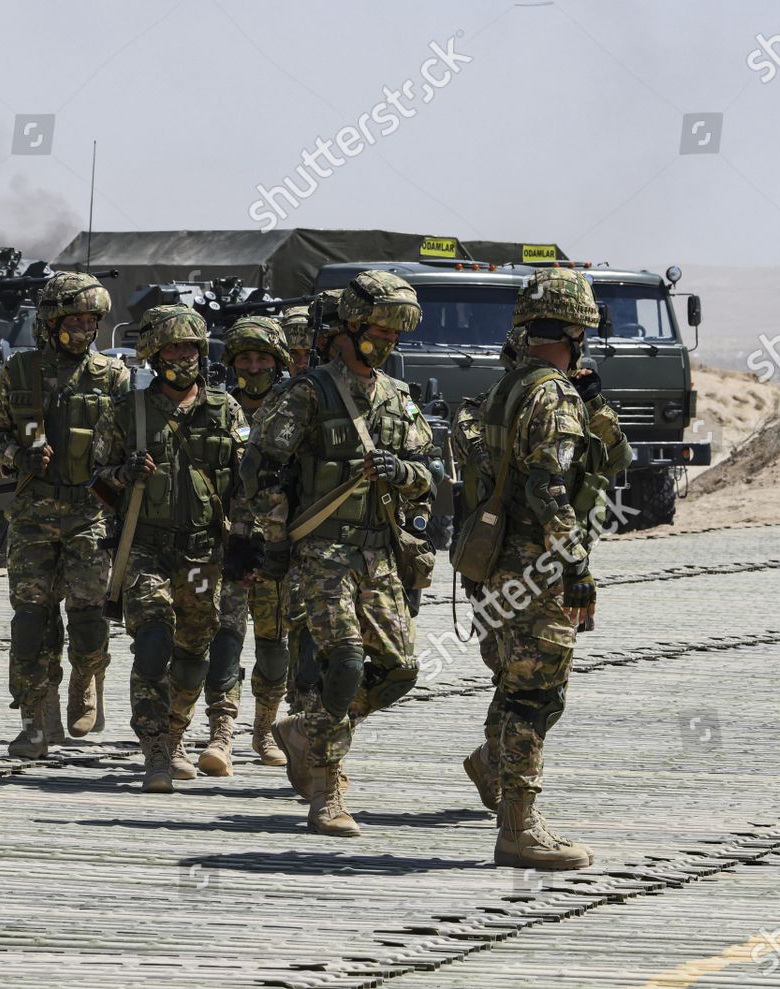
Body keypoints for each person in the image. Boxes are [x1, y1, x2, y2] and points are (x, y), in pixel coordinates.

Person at [244, 271, 438, 835]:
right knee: (344, 663)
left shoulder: (399, 398)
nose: (388, 343)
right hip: (321, 553)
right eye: (379, 331)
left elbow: (427, 473)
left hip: (378, 553)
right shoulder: (308, 393)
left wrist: (405, 474)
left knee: (400, 669)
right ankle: (326, 793)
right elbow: (263, 469)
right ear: (349, 330)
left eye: (395, 334)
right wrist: (275, 539)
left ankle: (308, 729)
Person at [454, 267, 628, 870]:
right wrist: (573, 563)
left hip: (494, 565)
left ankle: (490, 765)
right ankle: (519, 829)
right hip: (536, 568)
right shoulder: (552, 393)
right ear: (573, 331)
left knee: (520, 687)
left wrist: (595, 402)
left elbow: (610, 455)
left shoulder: (509, 387)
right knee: (535, 696)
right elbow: (550, 486)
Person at [92, 303, 246, 793]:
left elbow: (251, 482)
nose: (185, 356)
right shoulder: (126, 412)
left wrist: (250, 540)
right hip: (146, 550)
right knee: (153, 642)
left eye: (191, 348)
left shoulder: (227, 411)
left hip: (203, 555)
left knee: (194, 650)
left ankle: (178, 731)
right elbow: (96, 480)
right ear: (155, 355)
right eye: (174, 348)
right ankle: (155, 748)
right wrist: (124, 473)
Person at [0, 271, 129, 758]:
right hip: (32, 516)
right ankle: (34, 721)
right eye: (75, 319)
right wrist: (14, 456)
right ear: (50, 321)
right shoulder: (18, 373)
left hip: (91, 515)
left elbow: (133, 444)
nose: (84, 329)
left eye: (92, 320)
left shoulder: (115, 377)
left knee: (88, 617)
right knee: (31, 623)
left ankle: (87, 680)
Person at [174, 316, 294, 778]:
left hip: (278, 546)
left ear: (278, 362)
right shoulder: (215, 409)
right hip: (222, 545)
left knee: (273, 641)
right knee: (222, 638)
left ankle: (265, 729)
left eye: (263, 357)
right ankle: (221, 732)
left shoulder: (296, 408)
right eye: (245, 357)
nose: (254, 365)